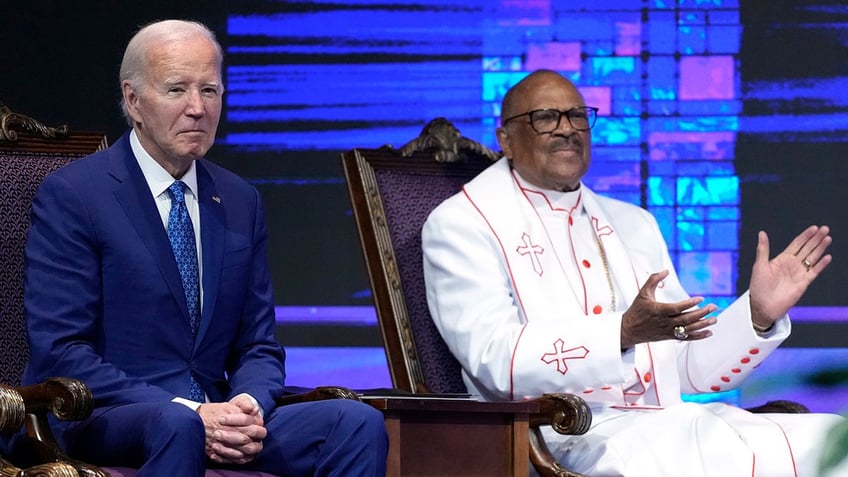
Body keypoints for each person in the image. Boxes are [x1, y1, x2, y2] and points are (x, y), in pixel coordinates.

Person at [421, 69, 843, 476]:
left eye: (578, 116)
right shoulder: (464, 224)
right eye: (545, 117)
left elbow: (688, 367)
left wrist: (757, 314)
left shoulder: (633, 223)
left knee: (830, 440)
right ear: (505, 140)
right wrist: (621, 332)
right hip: (566, 435)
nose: (567, 128)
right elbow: (496, 361)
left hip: (665, 425)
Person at [15, 19, 387, 476]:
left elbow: (258, 345)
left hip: (216, 414)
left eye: (209, 91)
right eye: (177, 90)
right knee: (178, 425)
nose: (197, 108)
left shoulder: (238, 200)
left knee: (354, 422)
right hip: (107, 414)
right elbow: (62, 350)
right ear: (133, 100)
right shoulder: (76, 195)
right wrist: (188, 411)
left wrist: (246, 406)